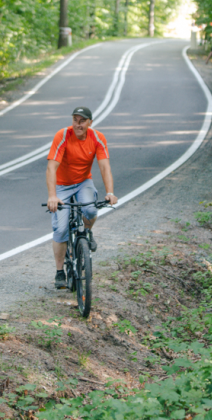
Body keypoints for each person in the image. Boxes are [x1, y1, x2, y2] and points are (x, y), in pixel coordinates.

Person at [46, 107, 118, 289]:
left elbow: (104, 167)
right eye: (75, 120)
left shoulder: (97, 138)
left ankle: (86, 232)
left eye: (82, 121)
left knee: (91, 209)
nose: (78, 124)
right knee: (61, 229)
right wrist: (52, 196)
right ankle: (60, 271)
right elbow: (51, 168)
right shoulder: (62, 135)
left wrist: (110, 193)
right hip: (62, 186)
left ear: (90, 123)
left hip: (83, 182)